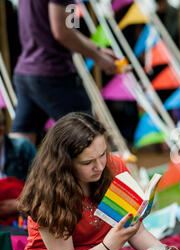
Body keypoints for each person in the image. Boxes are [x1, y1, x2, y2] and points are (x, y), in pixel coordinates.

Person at [18, 112, 180, 250]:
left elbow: (136, 232)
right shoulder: (49, 192)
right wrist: (108, 246)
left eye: (103, 154)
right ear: (65, 163)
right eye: (88, 162)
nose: (100, 166)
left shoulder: (113, 167)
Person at [10, 0, 118, 145]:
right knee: (89, 139)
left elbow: (65, 29)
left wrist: (97, 50)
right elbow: (63, 31)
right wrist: (97, 56)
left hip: (27, 71)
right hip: (54, 73)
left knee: (21, 141)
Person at [0, 109, 36, 236]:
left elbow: (47, 188)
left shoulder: (22, 149)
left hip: (29, 218)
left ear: (1, 132)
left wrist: (20, 204)